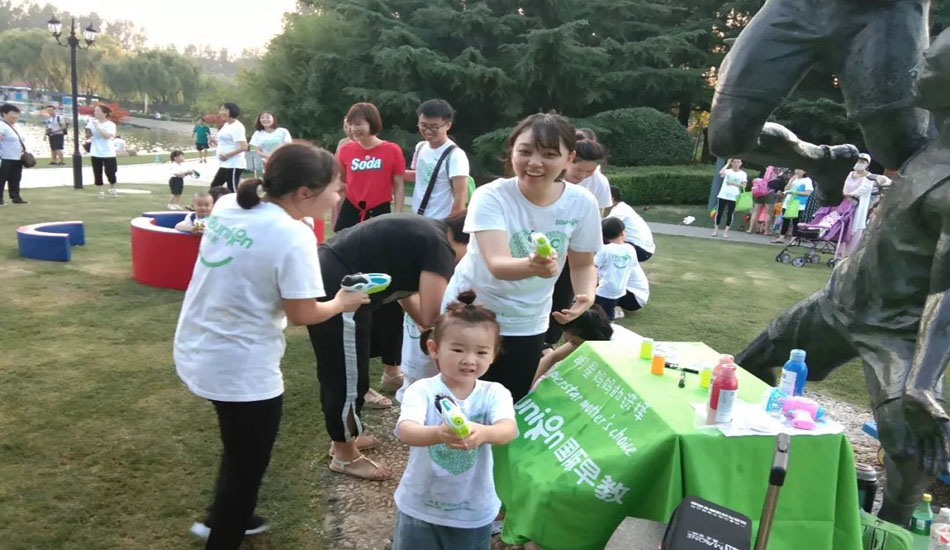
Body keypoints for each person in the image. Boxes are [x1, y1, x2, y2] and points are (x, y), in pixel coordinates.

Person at [174, 142, 369, 549]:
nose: (340, 196)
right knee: (246, 467)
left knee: (239, 446)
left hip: (198, 344)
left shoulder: (230, 203)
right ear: (305, 192)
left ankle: (230, 517)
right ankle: (224, 531)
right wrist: (342, 302)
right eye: (336, 188)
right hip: (240, 368)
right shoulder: (293, 235)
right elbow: (302, 313)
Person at [444, 113, 602, 402]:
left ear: (569, 158)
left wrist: (586, 294)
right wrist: (533, 266)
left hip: (528, 320)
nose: (534, 162)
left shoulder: (582, 203)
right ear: (512, 152)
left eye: (549, 154)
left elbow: (583, 263)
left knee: (509, 400)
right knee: (459, 397)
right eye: (525, 151)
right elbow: (497, 264)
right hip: (471, 312)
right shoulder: (491, 196)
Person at [308, 212, 469, 481]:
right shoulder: (440, 246)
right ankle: (344, 455)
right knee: (346, 375)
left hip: (334, 274)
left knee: (345, 371)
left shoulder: (428, 232)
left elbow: (406, 296)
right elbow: (433, 314)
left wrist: (427, 327)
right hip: (340, 287)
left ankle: (344, 438)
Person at [391, 291, 517, 550]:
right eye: (458, 349)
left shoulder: (494, 393)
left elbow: (508, 430)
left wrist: (482, 433)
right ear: (434, 349)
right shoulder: (422, 390)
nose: (469, 360)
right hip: (420, 504)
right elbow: (406, 430)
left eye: (481, 352)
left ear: (493, 355)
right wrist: (438, 434)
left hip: (473, 510)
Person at [333, 102, 406, 231]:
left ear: (372, 122)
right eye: (351, 124)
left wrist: (397, 214)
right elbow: (342, 184)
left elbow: (398, 185)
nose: (353, 129)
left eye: (358, 124)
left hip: (379, 210)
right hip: (351, 209)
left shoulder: (392, 150)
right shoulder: (345, 150)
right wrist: (336, 214)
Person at [405, 99, 470, 219]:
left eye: (434, 127)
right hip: (417, 217)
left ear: (448, 125)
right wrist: (393, 172)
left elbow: (460, 196)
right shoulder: (420, 147)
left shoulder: (455, 155)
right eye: (423, 125)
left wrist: (451, 225)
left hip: (440, 221)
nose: (428, 131)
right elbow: (422, 176)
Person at [532, 305, 613, 387]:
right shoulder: (587, 339)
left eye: (574, 342)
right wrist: (529, 384)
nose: (571, 345)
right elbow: (553, 357)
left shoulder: (611, 349)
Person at [841, 154, 891, 257]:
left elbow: (863, 189)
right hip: (845, 204)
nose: (859, 163)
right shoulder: (849, 174)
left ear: (867, 164)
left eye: (863, 162)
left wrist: (850, 194)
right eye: (858, 161)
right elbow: (844, 185)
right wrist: (843, 194)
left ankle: (849, 254)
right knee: (842, 226)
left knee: (855, 228)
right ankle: (839, 252)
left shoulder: (869, 177)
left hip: (858, 205)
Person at [594, 218, 643, 320]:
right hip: (619, 291)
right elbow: (632, 265)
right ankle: (610, 319)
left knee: (597, 313)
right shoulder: (630, 249)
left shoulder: (604, 249)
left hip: (603, 290)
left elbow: (594, 266)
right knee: (609, 311)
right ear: (622, 233)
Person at [564, 132, 611, 214]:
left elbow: (598, 214)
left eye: (590, 171)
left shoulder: (600, 182)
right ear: (567, 160)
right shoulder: (550, 178)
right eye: (578, 169)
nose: (582, 175)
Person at [605, 185, 655, 262]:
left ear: (611, 198)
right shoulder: (622, 207)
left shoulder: (620, 210)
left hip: (640, 249)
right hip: (642, 248)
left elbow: (604, 227)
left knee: (603, 239)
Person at [209, 102, 248, 193]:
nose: (221, 112)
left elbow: (244, 147)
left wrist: (227, 155)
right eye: (220, 110)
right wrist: (214, 141)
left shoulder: (237, 127)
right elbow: (227, 143)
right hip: (225, 164)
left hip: (234, 164)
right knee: (215, 186)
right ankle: (212, 202)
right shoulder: (226, 125)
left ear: (232, 111)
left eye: (224, 110)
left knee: (232, 188)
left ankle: (237, 202)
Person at [771, 168, 813, 245]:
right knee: (785, 220)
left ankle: (793, 239)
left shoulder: (807, 180)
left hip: (798, 202)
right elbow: (786, 189)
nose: (797, 171)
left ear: (804, 171)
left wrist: (795, 192)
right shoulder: (794, 178)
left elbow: (807, 193)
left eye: (799, 170)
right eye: (796, 169)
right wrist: (791, 181)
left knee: (795, 221)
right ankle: (781, 237)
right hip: (788, 202)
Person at [85, 104, 118, 199]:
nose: (95, 113)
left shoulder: (111, 125)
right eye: (95, 111)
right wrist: (88, 133)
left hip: (108, 152)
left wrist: (97, 126)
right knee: (97, 172)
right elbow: (87, 135)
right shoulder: (91, 123)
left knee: (110, 172)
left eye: (98, 111)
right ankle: (99, 191)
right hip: (96, 151)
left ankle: (112, 188)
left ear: (105, 114)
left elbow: (106, 136)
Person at [711, 158, 747, 238]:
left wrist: (733, 183)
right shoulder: (728, 171)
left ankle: (726, 232)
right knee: (719, 212)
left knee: (730, 214)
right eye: (734, 162)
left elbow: (744, 186)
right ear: (732, 163)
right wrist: (727, 163)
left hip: (734, 197)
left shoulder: (743, 174)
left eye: (738, 162)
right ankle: (715, 230)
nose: (736, 164)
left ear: (741, 163)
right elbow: (721, 172)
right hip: (723, 195)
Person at [0, 103, 28, 206]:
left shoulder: (17, 126)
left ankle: (16, 197)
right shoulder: (1, 125)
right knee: (1, 178)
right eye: (13, 113)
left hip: (17, 157)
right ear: (4, 113)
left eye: (17, 113)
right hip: (5, 157)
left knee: (15, 179)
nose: (15, 116)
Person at [748, 166, 778, 235]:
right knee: (768, 213)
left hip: (758, 194)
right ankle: (767, 231)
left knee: (755, 212)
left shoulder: (760, 176)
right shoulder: (775, 180)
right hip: (769, 194)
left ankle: (750, 229)